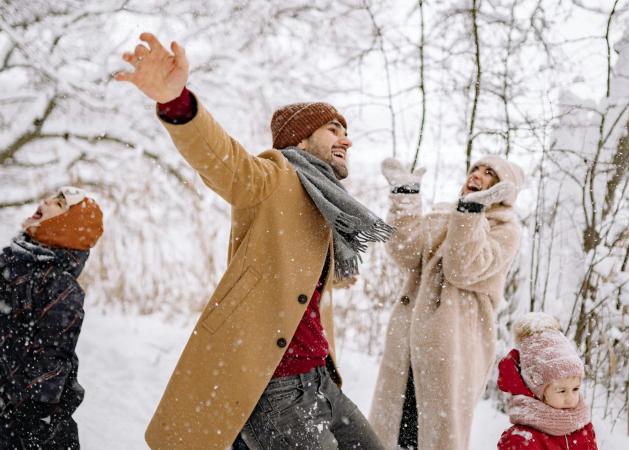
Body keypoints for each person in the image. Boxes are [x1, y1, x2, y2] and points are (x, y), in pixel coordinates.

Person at [115, 33, 389, 450]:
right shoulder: (272, 178)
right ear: (300, 139)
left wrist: (330, 278)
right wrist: (177, 103)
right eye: (333, 129)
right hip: (274, 383)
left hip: (320, 378)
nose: (346, 139)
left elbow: (289, 275)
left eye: (346, 131)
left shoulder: (326, 204)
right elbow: (223, 160)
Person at [369, 155, 524, 449]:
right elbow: (405, 251)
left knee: (436, 432)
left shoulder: (505, 230)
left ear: (505, 189)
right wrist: (406, 198)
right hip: (408, 340)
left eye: (489, 173)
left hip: (454, 344)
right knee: (395, 429)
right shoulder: (446, 213)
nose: (476, 175)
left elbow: (461, 268)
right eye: (475, 169)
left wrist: (471, 213)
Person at [0, 186, 104, 450]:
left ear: (65, 225)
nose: (46, 201)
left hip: (45, 410)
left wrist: (38, 411)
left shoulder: (60, 286)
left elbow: (53, 353)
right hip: (6, 396)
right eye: (52, 197)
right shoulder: (7, 260)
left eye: (59, 204)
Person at [496, 312, 598, 450]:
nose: (570, 399)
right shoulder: (521, 439)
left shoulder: (582, 428)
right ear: (537, 391)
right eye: (561, 391)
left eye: (575, 389)